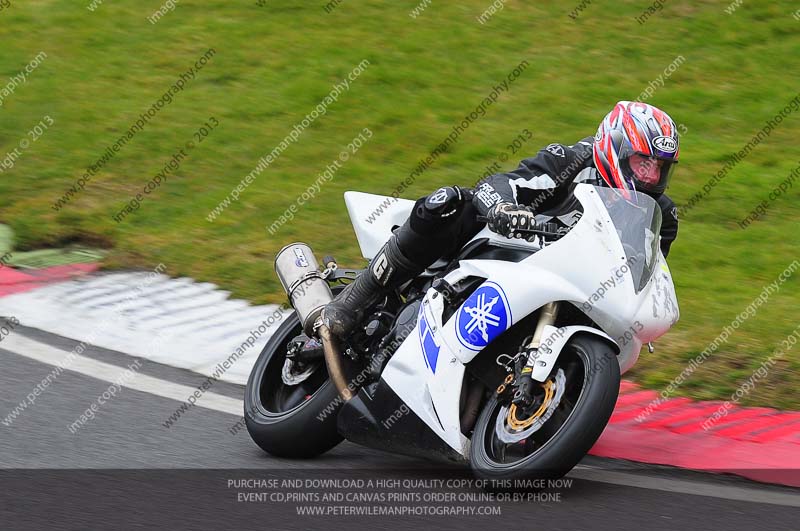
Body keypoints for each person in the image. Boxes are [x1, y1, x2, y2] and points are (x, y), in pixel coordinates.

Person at [323, 101, 680, 339]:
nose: (650, 176)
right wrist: (505, 209)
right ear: (614, 148)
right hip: (508, 248)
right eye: (642, 162)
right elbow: (499, 183)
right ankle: (355, 298)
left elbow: (642, 271)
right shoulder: (570, 161)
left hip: (567, 283)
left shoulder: (662, 216)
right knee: (450, 201)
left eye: (660, 167)